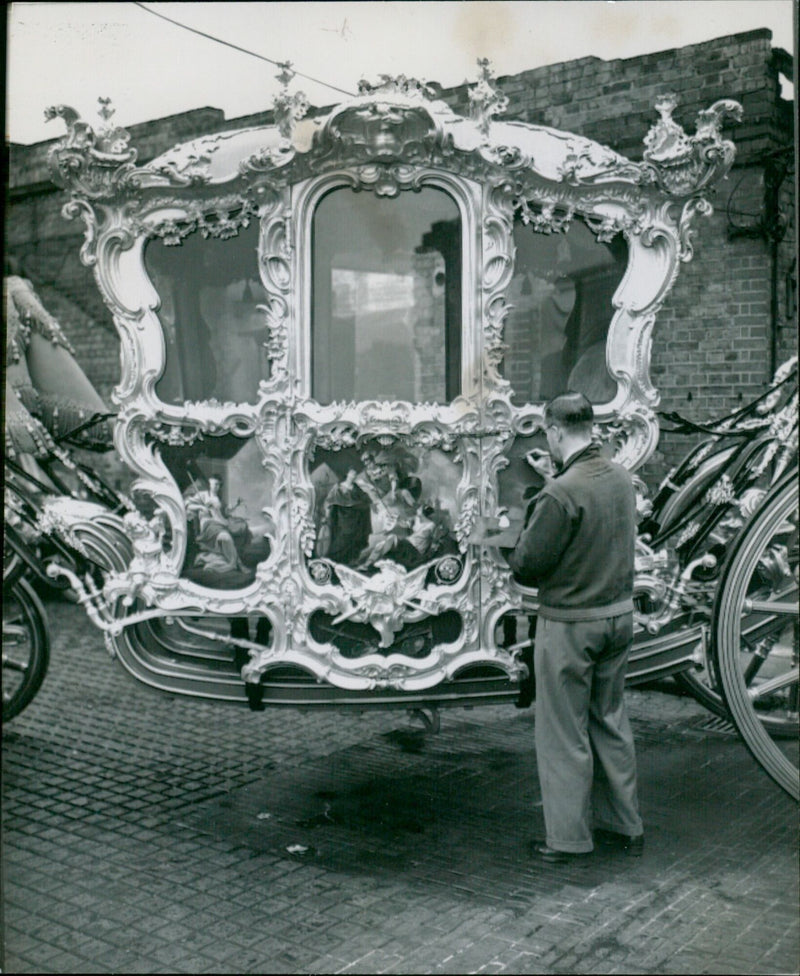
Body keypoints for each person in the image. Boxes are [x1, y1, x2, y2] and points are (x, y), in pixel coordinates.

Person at [506, 391, 643, 863]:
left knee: (563, 734)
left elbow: (527, 565)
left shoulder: (559, 493)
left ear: (555, 431)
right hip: (618, 619)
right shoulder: (620, 477)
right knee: (610, 722)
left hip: (570, 626)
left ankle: (567, 840)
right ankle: (624, 826)